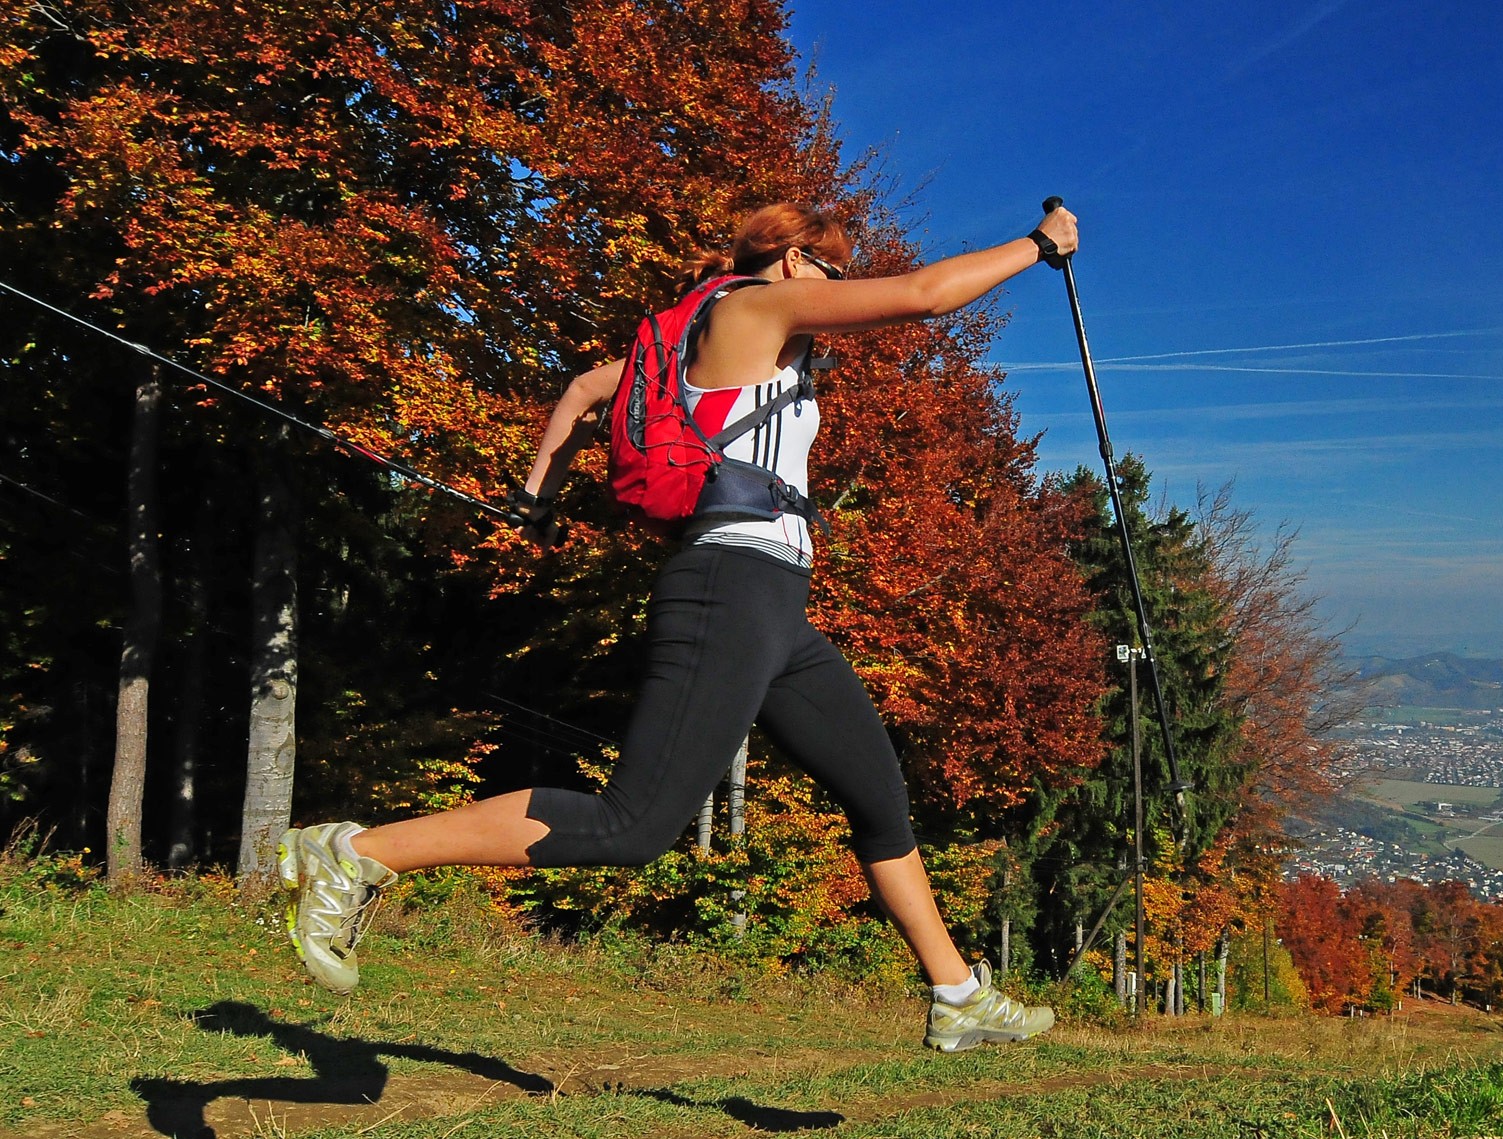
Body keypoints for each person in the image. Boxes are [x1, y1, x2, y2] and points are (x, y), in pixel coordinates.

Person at [279, 200, 1079, 1054]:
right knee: (634, 824)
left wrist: (535, 496)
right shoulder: (754, 306)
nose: (840, 287)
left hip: (776, 607)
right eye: (834, 270)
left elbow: (588, 389)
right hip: (728, 586)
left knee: (878, 797)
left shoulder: (691, 338)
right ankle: (358, 852)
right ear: (796, 262)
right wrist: (1038, 246)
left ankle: (956, 992)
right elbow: (924, 295)